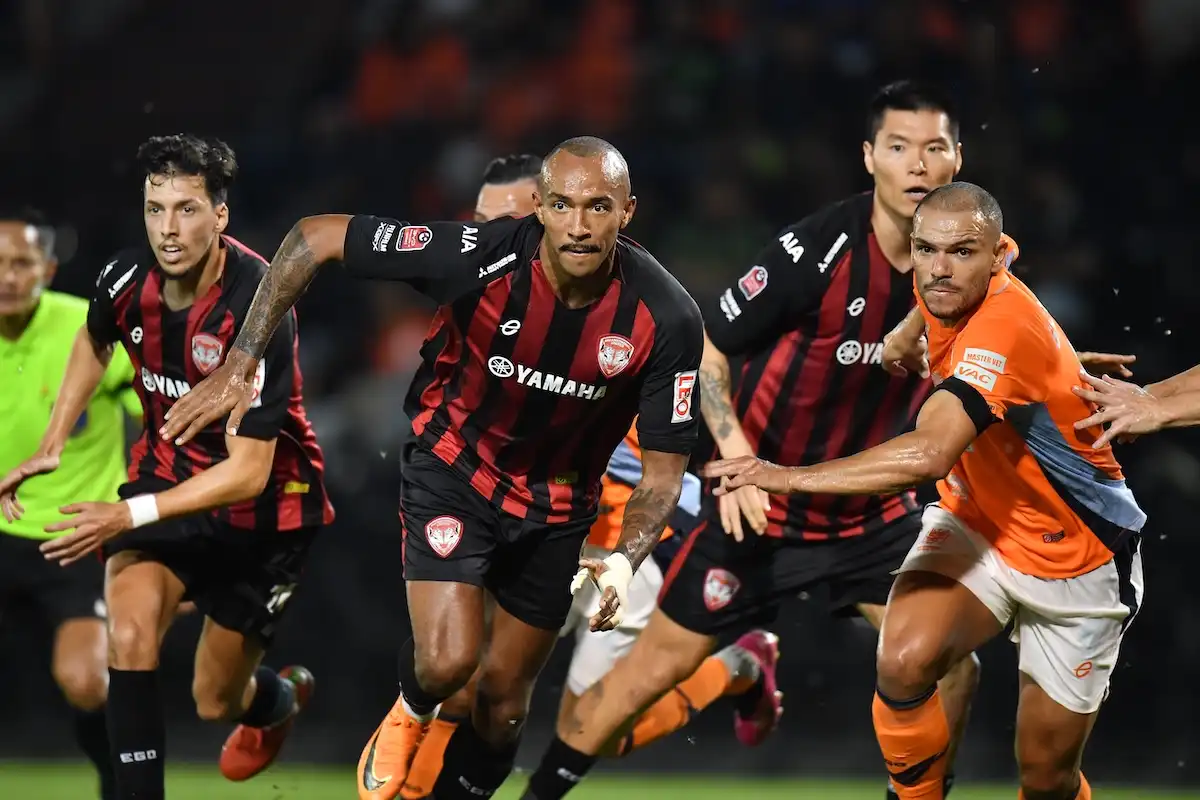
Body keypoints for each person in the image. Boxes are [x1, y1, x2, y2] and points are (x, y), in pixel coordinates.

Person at [159, 136, 706, 800]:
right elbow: (315, 236)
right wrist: (242, 360)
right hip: (455, 471)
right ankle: (412, 706)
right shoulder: (478, 256)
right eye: (563, 205)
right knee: (448, 664)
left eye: (598, 206)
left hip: (558, 509)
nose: (579, 225)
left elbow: (662, 475)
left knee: (503, 707)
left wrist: (624, 559)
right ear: (539, 207)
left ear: (628, 211)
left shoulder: (668, 317)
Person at [704, 181, 1144, 800]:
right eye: (926, 250)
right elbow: (953, 271)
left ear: (995, 256)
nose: (939, 268)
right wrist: (907, 332)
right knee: (904, 658)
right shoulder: (944, 283)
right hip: (977, 521)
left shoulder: (1004, 325)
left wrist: (781, 476)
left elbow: (931, 453)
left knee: (1046, 779)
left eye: (961, 252)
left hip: (1076, 557)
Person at [399, 157, 777, 800]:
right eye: (479, 222)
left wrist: (734, 447)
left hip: (619, 534)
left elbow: (693, 379)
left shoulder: (633, 312)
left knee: (593, 727)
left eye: (501, 222)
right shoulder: (488, 302)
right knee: (461, 672)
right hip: (530, 525)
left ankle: (736, 668)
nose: (484, 238)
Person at [0, 135, 334, 800]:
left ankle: (274, 702)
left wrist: (126, 513)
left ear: (220, 215)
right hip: (165, 477)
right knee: (126, 636)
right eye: (156, 209)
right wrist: (54, 440)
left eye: (186, 209)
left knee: (215, 699)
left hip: (263, 513)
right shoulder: (124, 279)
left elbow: (247, 473)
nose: (168, 229)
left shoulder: (261, 307)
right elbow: (95, 339)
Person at [0, 209, 139, 800]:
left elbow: (159, 413)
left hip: (73, 536)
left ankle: (115, 780)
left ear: (48, 270)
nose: (8, 277)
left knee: (86, 680)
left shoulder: (88, 331)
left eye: (21, 263)